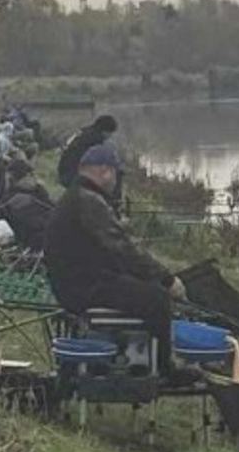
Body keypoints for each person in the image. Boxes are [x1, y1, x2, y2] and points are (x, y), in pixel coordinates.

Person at [42, 138, 188, 375]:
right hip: (82, 288)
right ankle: (164, 370)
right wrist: (167, 279)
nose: (117, 181)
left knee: (143, 288)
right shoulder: (89, 200)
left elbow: (110, 248)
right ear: (105, 171)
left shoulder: (77, 195)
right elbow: (125, 250)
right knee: (157, 300)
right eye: (116, 175)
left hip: (75, 283)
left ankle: (141, 361)